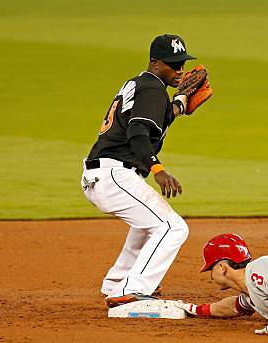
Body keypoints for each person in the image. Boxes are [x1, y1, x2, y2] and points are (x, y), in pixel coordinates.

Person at [81, 34, 200, 308]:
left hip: (103, 174)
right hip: (114, 175)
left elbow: (158, 113)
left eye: (182, 63)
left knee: (147, 226)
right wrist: (157, 168)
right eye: (173, 64)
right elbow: (138, 130)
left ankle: (116, 283)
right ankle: (133, 288)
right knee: (173, 227)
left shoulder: (141, 84)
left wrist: (180, 104)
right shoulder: (153, 89)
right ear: (155, 63)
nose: (180, 70)